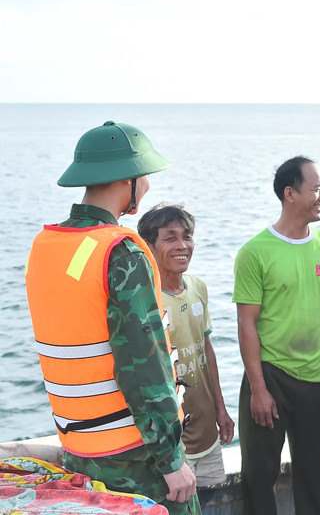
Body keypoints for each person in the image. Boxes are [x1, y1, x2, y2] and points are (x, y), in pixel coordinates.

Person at [24, 121, 200, 514]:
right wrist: (171, 460)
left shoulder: (45, 246)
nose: (149, 185)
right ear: (128, 180)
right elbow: (144, 365)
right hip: (137, 456)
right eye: (146, 176)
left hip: (78, 451)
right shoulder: (122, 253)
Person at [233, 156, 320, 515]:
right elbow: (246, 324)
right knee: (259, 475)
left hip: (316, 378)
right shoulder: (255, 252)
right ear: (290, 193)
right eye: (316, 189)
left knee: (314, 475)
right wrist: (258, 389)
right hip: (269, 375)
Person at [138, 202, 235, 488]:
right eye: (170, 238)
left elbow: (205, 349)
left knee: (207, 498)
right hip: (170, 443)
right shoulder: (145, 300)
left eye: (187, 236)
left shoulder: (197, 287)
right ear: (148, 246)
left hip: (207, 430)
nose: (182, 245)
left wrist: (221, 408)